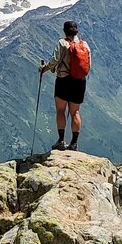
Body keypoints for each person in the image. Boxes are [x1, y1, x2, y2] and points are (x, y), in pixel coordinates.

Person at [39, 20, 91, 151]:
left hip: (64, 80)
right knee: (75, 112)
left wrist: (44, 69)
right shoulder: (84, 44)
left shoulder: (62, 43)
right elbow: (88, 65)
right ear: (77, 31)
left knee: (61, 110)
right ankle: (74, 143)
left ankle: (61, 141)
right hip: (80, 81)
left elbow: (54, 61)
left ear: (64, 31)